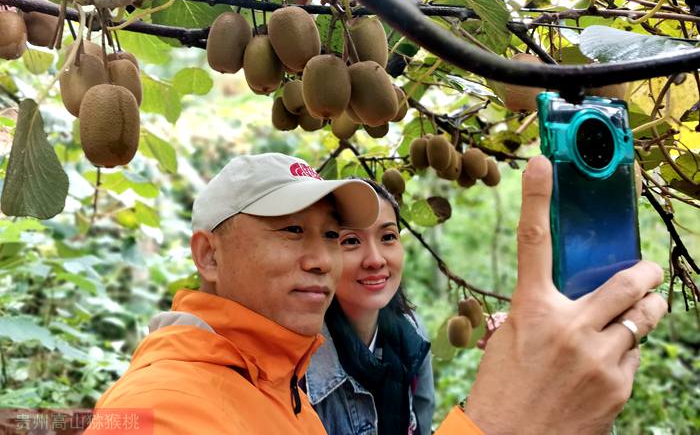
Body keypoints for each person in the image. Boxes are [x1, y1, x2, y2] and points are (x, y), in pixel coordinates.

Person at [85, 152, 668, 435]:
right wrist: (498, 422)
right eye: (291, 231)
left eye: (330, 235)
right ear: (208, 255)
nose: (321, 258)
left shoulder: (279, 383)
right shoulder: (164, 407)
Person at [304, 179, 434, 435]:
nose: (376, 260)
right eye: (351, 241)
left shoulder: (413, 333)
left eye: (388, 237)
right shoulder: (296, 364)